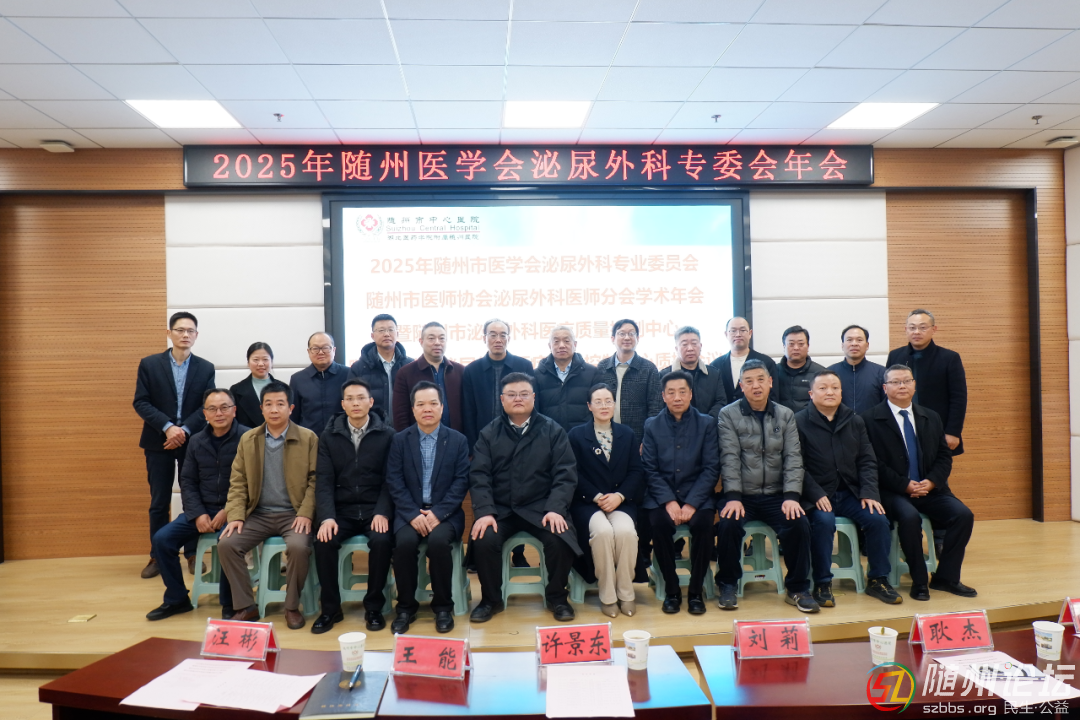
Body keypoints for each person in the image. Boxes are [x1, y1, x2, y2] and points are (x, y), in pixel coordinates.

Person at [468, 373, 580, 623]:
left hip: (541, 507)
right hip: (501, 509)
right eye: (511, 394)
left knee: (560, 537)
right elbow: (479, 475)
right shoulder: (489, 433)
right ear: (502, 399)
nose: (518, 398)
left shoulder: (552, 430)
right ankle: (490, 600)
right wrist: (485, 511)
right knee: (483, 538)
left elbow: (565, 474)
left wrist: (555, 509)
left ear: (533, 397)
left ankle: (557, 598)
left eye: (523, 394)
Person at [863, 365, 976, 601]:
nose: (902, 386)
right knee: (909, 517)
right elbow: (872, 462)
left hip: (930, 489)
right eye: (895, 382)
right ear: (885, 388)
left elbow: (944, 456)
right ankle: (919, 580)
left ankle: (946, 577)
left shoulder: (930, 416)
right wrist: (904, 484)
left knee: (963, 515)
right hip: (893, 491)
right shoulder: (869, 419)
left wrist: (932, 482)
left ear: (914, 385)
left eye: (907, 381)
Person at [715, 360, 818, 613]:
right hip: (742, 496)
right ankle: (727, 584)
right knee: (727, 524)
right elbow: (729, 457)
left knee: (799, 523)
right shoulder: (728, 414)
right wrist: (733, 496)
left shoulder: (785, 415)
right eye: (749, 381)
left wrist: (791, 496)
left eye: (761, 379)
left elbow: (793, 458)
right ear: (741, 386)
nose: (756, 385)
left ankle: (797, 588)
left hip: (777, 495)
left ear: (770, 382)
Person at [794, 371, 901, 608]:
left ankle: (878, 579)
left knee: (878, 519)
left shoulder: (854, 420)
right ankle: (822, 582)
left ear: (841, 392)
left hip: (851, 492)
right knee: (823, 523)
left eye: (835, 387)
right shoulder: (799, 421)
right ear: (811, 394)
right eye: (823, 388)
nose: (830, 392)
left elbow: (867, 460)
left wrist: (869, 493)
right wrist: (815, 493)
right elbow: (796, 465)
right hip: (818, 495)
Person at [218, 381, 319, 629]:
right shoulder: (248, 439)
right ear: (261, 408)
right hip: (258, 513)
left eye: (280, 404)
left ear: (291, 408)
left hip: (293, 514)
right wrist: (236, 516)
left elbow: (316, 481)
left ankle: (291, 606)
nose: (274, 409)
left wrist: (306, 513)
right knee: (227, 544)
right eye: (269, 404)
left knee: (298, 547)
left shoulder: (308, 438)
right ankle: (246, 606)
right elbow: (238, 481)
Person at [146, 389, 250, 621]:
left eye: (224, 407)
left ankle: (229, 602)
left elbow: (253, 482)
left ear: (234, 411)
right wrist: (198, 514)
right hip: (202, 510)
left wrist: (229, 511)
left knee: (227, 542)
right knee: (162, 539)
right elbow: (188, 481)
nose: (219, 413)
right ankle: (177, 599)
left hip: (235, 511)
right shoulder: (196, 441)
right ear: (204, 414)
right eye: (212, 409)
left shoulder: (248, 438)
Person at [133, 311, 216, 579]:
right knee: (159, 501)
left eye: (190, 331)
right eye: (180, 330)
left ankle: (192, 553)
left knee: (193, 498)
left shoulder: (206, 368)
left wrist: (184, 430)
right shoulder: (149, 364)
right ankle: (158, 556)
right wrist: (168, 427)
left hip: (193, 442)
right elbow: (141, 402)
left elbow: (207, 406)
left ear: (196, 335)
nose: (185, 335)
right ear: (169, 333)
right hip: (158, 441)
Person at [311, 378, 396, 634]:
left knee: (382, 540)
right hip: (342, 511)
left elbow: (391, 479)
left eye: (361, 398)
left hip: (374, 508)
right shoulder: (329, 436)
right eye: (350, 399)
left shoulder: (387, 435)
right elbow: (324, 481)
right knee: (323, 541)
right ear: (343, 404)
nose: (355, 403)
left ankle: (374, 607)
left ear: (371, 402)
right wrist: (327, 517)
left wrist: (382, 511)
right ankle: (330, 609)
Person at [385, 381, 470, 634]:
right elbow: (394, 481)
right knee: (404, 543)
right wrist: (412, 514)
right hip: (409, 513)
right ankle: (405, 607)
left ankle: (442, 607)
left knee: (438, 542)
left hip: (446, 514)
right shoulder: (400, 440)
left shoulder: (457, 440)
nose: (427, 409)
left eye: (433, 403)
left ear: (442, 407)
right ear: (413, 409)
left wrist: (438, 514)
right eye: (421, 404)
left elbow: (461, 482)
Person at [641, 371, 719, 615]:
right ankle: (672, 590)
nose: (677, 397)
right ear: (663, 396)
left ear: (691, 394)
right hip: (661, 497)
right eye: (671, 392)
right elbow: (649, 469)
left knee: (704, 526)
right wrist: (669, 502)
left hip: (698, 496)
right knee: (659, 526)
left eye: (682, 392)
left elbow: (711, 468)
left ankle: (695, 591)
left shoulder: (706, 423)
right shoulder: (652, 425)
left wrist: (692, 503)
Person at [567, 383, 644, 618]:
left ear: (614, 404)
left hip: (621, 501)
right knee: (602, 532)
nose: (604, 406)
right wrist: (597, 496)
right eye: (598, 402)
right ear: (589, 406)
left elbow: (636, 471)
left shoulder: (627, 434)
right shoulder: (576, 435)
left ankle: (626, 592)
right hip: (588, 503)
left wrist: (619, 496)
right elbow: (573, 473)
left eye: (608, 401)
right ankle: (608, 595)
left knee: (626, 533)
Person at [886, 309, 968, 456]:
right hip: (902, 425)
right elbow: (888, 392)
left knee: (937, 469)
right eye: (912, 327)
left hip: (936, 427)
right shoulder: (895, 356)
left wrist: (953, 431)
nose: (916, 332)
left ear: (933, 329)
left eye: (922, 327)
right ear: (906, 329)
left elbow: (958, 398)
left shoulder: (949, 358)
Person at [462, 318, 534, 451]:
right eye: (493, 335)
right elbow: (468, 411)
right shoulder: (472, 370)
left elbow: (533, 405)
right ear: (484, 338)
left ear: (509, 339)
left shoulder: (524, 366)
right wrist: (472, 447)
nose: (498, 340)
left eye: (503, 335)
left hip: (519, 439)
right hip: (483, 440)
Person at [597, 319, 662, 445]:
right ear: (612, 339)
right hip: (605, 436)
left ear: (637, 338)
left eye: (631, 333)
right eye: (622, 333)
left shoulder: (649, 368)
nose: (627, 337)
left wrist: (648, 439)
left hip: (638, 438)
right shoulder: (602, 367)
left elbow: (655, 407)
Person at [393, 322, 464, 432]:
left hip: (455, 438)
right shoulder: (405, 373)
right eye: (431, 339)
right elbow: (400, 414)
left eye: (442, 338)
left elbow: (468, 410)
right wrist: (406, 439)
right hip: (418, 438)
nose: (437, 343)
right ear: (421, 342)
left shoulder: (460, 371)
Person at [534, 325, 602, 433]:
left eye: (566, 341)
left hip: (583, 436)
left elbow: (598, 407)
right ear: (550, 346)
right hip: (548, 436)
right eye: (556, 342)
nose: (561, 345)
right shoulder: (537, 375)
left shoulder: (592, 373)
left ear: (575, 344)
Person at [347, 314, 413, 425]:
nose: (386, 334)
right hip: (373, 430)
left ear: (397, 334)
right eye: (381, 330)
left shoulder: (410, 365)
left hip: (405, 429)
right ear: (372, 336)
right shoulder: (359, 368)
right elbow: (351, 401)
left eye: (390, 330)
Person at [659, 326, 729, 419]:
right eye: (684, 344)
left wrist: (707, 422)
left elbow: (720, 401)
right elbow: (660, 405)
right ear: (676, 348)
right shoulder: (665, 375)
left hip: (708, 425)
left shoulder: (714, 374)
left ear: (701, 346)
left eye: (694, 343)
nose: (690, 348)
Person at [290, 332, 349, 435]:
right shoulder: (297, 379)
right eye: (315, 348)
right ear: (309, 351)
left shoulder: (348, 374)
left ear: (334, 350)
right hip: (309, 439)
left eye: (326, 348)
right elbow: (293, 416)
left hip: (342, 438)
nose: (321, 352)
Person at [709, 316, 778, 404]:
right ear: (726, 334)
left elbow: (773, 397)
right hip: (724, 412)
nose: (738, 334)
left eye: (742, 330)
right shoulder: (715, 365)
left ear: (750, 333)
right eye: (733, 331)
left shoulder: (766, 362)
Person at [827, 325, 885, 415]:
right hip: (839, 423)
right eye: (849, 340)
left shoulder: (881, 372)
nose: (854, 344)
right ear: (842, 345)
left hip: (871, 423)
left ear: (867, 345)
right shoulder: (829, 373)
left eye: (859, 340)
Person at [775, 325, 825, 413]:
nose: (796, 348)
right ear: (784, 346)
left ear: (808, 346)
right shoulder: (774, 371)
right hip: (781, 420)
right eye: (791, 344)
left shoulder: (821, 373)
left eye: (801, 344)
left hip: (809, 420)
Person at [230, 342, 275, 429]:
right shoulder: (236, 390)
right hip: (247, 436)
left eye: (265, 359)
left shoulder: (283, 389)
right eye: (256, 360)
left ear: (271, 362)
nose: (261, 364)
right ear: (248, 362)